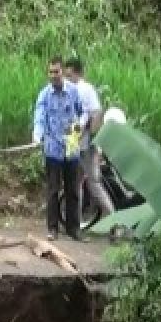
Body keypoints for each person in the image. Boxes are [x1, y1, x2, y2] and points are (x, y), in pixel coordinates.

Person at [33, 56, 87, 240]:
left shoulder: (73, 92)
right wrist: (37, 135)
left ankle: (74, 229)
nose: (53, 75)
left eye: (57, 71)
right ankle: (52, 229)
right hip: (52, 148)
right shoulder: (44, 95)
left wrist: (78, 128)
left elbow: (83, 112)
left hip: (71, 146)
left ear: (62, 72)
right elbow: (39, 118)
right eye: (51, 72)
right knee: (53, 190)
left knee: (73, 190)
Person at [64, 57, 114, 224]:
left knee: (93, 182)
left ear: (79, 73)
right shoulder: (69, 89)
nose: (68, 78)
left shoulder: (86, 89)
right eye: (67, 75)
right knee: (75, 182)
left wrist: (92, 135)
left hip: (87, 145)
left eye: (71, 75)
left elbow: (97, 113)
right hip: (74, 143)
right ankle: (75, 221)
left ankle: (114, 219)